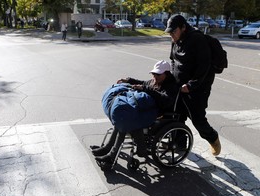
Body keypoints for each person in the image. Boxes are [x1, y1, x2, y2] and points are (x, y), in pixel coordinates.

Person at [91, 60, 178, 165]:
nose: (155, 76)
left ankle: (112, 155)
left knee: (126, 121)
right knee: (122, 118)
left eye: (158, 74)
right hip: (145, 110)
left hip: (158, 114)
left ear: (166, 74)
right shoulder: (155, 81)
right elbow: (143, 83)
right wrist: (128, 80)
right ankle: (108, 148)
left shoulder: (171, 86)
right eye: (154, 74)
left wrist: (146, 89)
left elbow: (165, 100)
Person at [165, 14, 221, 156]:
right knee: (177, 115)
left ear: (183, 28)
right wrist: (173, 76)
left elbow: (204, 67)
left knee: (197, 119)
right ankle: (180, 145)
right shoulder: (175, 40)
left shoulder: (197, 40)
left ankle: (213, 138)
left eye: (174, 31)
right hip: (179, 86)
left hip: (198, 88)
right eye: (170, 32)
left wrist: (191, 85)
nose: (171, 35)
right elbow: (173, 59)